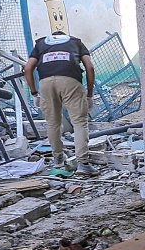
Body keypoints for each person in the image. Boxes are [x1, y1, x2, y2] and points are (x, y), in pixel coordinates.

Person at [25, 30, 95, 178]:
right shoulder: (76, 42)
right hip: (71, 81)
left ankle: (58, 160)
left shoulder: (41, 44)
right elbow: (90, 67)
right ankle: (83, 164)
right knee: (79, 122)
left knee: (53, 123)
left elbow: (28, 68)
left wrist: (34, 93)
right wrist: (89, 95)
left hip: (45, 82)